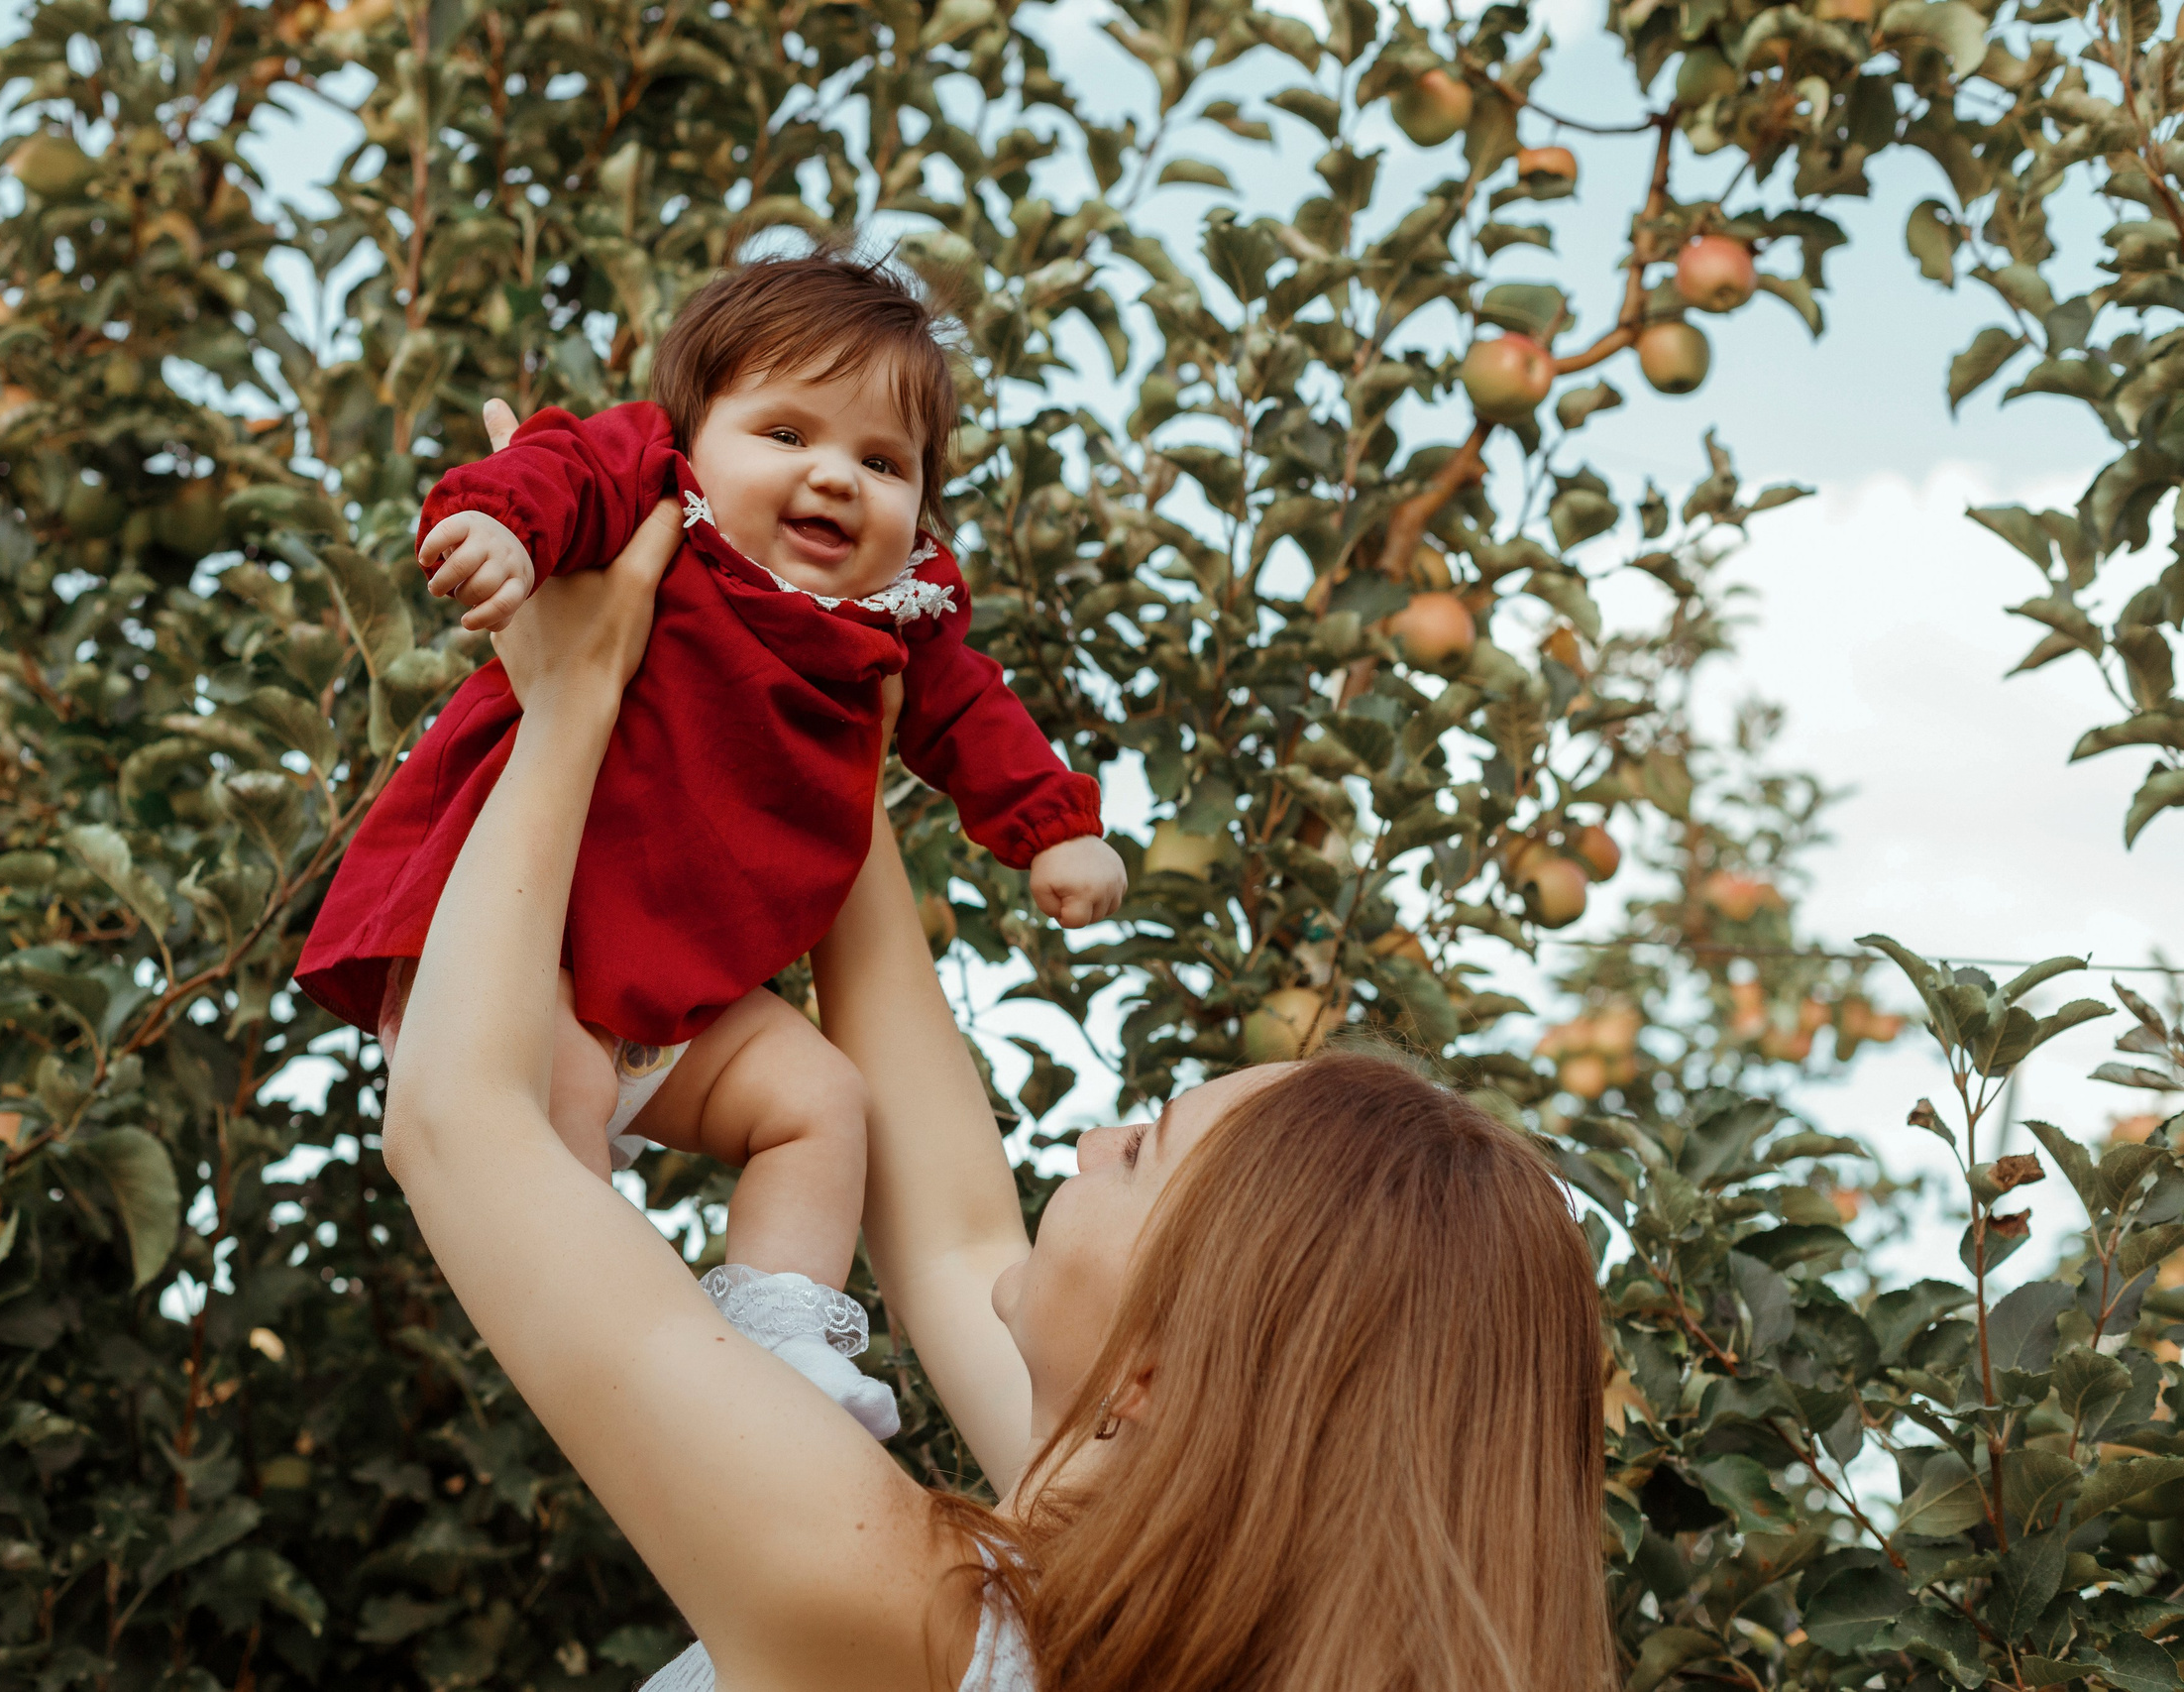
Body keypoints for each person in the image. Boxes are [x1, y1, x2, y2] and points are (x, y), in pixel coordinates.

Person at [379, 507, 1619, 1692]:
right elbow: (958, 1231)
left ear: (1151, 1373)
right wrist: (823, 715)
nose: (1088, 1139)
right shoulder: (1101, 1621)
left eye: (1140, 1153)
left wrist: (573, 694)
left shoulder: (900, 1618)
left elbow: (463, 1122)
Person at [300, 253, 1127, 1434]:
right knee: (557, 1113)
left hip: (678, 994)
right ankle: (629, 1364)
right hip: (531, 950)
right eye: (786, 433)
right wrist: (499, 528)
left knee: (821, 1101)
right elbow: (552, 467)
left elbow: (971, 717)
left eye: (883, 463)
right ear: (695, 435)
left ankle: (782, 1340)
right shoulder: (653, 493)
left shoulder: (902, 613)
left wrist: (1053, 830)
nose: (835, 478)